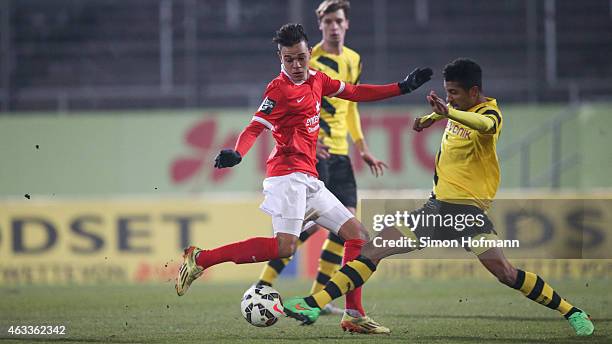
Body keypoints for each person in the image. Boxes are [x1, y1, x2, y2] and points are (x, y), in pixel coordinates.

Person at [283, 58, 595, 337]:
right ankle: (313, 304)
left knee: (506, 273)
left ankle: (573, 312)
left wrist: (448, 114)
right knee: (373, 249)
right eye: (447, 93)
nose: (449, 99)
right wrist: (429, 119)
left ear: (474, 92)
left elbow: (483, 124)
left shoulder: (490, 114)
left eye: (455, 93)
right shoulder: (456, 111)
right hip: (435, 210)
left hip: (468, 215)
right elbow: (454, 117)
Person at [174, 22, 432, 329]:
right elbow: (256, 126)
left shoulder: (318, 80)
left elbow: (354, 92)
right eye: (288, 59)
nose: (295, 65)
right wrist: (238, 152)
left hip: (309, 179)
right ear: (280, 59)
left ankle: (354, 316)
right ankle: (201, 259)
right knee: (285, 247)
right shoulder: (278, 90)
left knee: (358, 238)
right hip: (286, 176)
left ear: (309, 53)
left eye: (300, 57)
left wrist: (401, 87)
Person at [255, 0, 389, 331]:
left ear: (346, 24)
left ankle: (320, 298)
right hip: (317, 153)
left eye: (338, 21)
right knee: (315, 227)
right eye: (327, 21)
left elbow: (350, 104)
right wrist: (315, 143)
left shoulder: (353, 59)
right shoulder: (307, 58)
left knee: (344, 230)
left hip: (342, 153)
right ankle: (268, 284)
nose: (333, 26)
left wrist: (362, 147)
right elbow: (303, 106)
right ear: (320, 24)